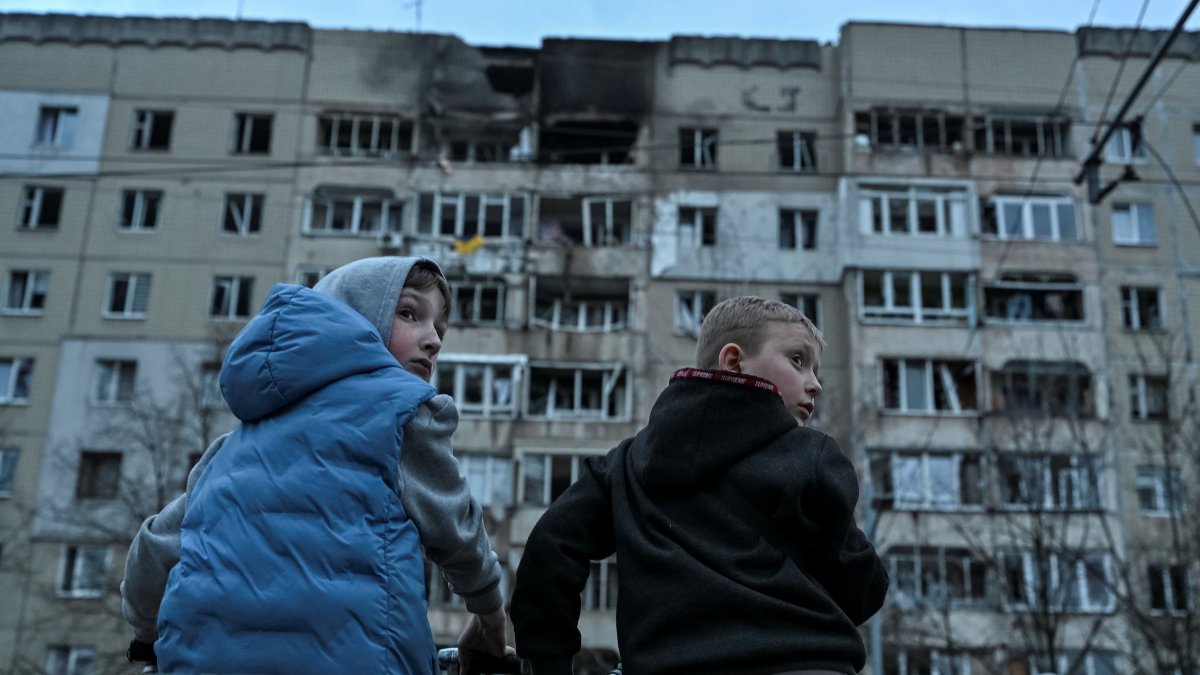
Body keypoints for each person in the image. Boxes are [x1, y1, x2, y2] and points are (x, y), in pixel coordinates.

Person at [120, 256, 511, 675]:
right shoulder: (401, 417)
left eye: (439, 329)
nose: (432, 339)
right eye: (409, 314)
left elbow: (153, 552)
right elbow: (457, 531)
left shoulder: (231, 449)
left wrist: (149, 637)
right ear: (349, 321)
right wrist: (489, 615)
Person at [510, 296, 888, 675]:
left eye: (815, 371)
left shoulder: (624, 467)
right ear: (734, 361)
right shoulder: (811, 454)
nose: (816, 385)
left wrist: (549, 663)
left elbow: (550, 546)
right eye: (798, 361)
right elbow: (862, 587)